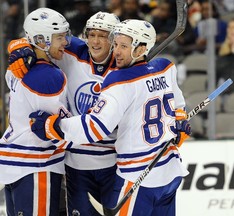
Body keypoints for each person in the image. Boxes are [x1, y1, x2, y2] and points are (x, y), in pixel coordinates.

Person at [29, 19, 191, 216]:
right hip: (169, 171)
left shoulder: (119, 80)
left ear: (141, 50)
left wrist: (53, 126)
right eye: (116, 45)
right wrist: (180, 121)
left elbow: (95, 127)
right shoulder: (165, 68)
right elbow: (178, 105)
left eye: (123, 46)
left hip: (137, 174)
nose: (116, 52)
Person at [7, 11, 121, 216]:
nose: (95, 41)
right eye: (91, 34)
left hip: (113, 161)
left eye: (103, 35)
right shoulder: (70, 53)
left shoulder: (126, 64)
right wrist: (18, 45)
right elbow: (40, 37)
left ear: (115, 39)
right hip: (68, 161)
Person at [0, 8, 71, 215]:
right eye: (60, 37)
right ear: (42, 40)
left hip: (14, 162)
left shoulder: (16, 66)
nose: (65, 42)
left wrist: (18, 43)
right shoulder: (48, 77)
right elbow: (57, 131)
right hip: (37, 165)